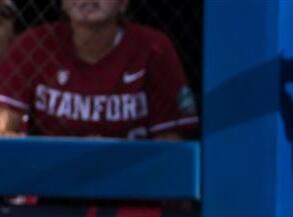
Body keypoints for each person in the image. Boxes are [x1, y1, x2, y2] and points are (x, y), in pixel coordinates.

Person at [0, 0, 198, 138]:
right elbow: (5, 123)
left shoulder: (154, 48)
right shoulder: (34, 44)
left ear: (124, 3)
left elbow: (170, 139)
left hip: (132, 184)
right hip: (52, 183)